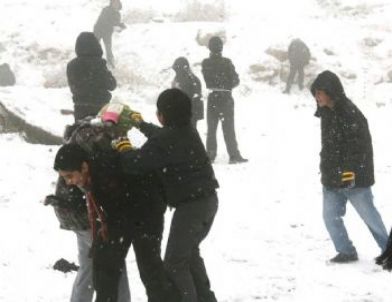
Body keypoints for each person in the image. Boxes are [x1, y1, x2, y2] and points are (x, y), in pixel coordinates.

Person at [113, 88, 220, 302]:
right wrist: (141, 124)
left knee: (175, 263)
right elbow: (162, 137)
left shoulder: (167, 139)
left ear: (162, 115)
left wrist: (123, 146)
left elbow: (136, 163)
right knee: (188, 256)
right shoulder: (187, 130)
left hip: (192, 208)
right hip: (207, 202)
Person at [54, 139, 180, 301]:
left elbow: (122, 208)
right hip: (123, 214)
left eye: (69, 176)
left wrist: (112, 235)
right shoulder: (92, 174)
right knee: (103, 267)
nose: (68, 182)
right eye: (64, 178)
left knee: (149, 268)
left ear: (84, 167)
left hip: (147, 212)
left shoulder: (106, 173)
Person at [311, 70, 388, 263]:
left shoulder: (350, 113)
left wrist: (347, 175)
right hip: (331, 177)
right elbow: (330, 146)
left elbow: (358, 148)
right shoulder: (326, 112)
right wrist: (327, 170)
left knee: (370, 218)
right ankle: (346, 251)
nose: (317, 97)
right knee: (330, 217)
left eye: (320, 92)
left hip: (353, 179)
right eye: (315, 93)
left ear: (331, 91)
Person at [45, 177, 131, 302]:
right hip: (86, 217)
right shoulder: (84, 164)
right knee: (114, 263)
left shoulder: (75, 165)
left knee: (88, 265)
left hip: (74, 215)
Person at [201, 36, 247, 164]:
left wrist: (218, 85)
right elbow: (236, 80)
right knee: (229, 129)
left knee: (211, 129)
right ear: (221, 48)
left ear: (209, 48)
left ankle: (210, 155)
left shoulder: (205, 63)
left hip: (213, 97)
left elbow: (207, 81)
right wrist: (227, 85)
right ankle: (234, 155)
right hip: (226, 97)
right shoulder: (227, 62)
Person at [67, 32, 116, 122]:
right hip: (101, 107)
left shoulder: (72, 65)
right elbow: (112, 85)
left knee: (80, 132)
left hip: (80, 108)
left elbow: (73, 87)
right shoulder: (99, 64)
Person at [171, 57, 204, 128]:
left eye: (177, 70)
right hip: (186, 112)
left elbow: (193, 96)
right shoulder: (189, 78)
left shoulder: (189, 80)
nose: (176, 72)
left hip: (187, 112)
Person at [94, 0, 126, 68]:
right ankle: (94, 62)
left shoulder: (118, 14)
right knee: (95, 47)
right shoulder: (106, 10)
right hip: (98, 30)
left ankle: (111, 63)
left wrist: (121, 26)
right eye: (114, 2)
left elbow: (115, 24)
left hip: (107, 33)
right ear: (111, 3)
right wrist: (113, 27)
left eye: (117, 3)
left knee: (108, 48)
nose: (115, 4)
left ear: (119, 4)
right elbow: (104, 21)